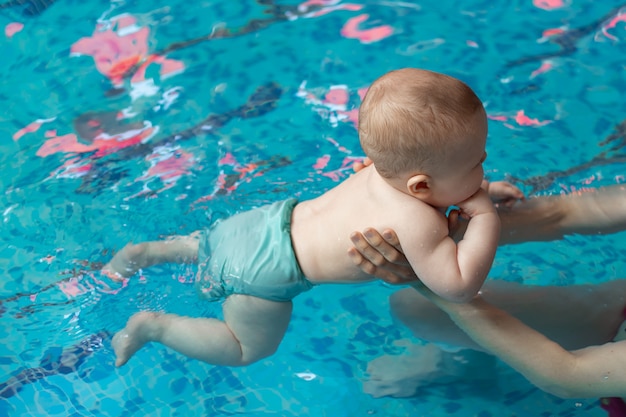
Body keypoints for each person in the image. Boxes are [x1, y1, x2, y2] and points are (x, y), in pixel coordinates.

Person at [103, 67, 502, 367]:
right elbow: (458, 287)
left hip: (260, 223)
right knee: (245, 349)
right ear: (420, 187)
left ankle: (146, 252)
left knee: (204, 247)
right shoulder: (418, 221)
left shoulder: (374, 170)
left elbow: (441, 189)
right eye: (477, 165)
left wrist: (471, 189)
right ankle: (154, 327)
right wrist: (485, 216)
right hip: (268, 272)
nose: (483, 173)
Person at [347, 187, 626, 402]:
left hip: (587, 367)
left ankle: (459, 363)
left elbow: (568, 376)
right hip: (617, 315)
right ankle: (467, 360)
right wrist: (452, 216)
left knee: (431, 299)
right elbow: (561, 214)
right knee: (418, 308)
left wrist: (428, 281)